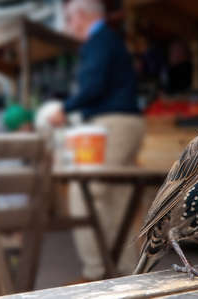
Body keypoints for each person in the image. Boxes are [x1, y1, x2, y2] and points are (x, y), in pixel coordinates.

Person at [50, 0, 145, 280]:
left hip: (109, 125)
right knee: (118, 199)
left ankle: (96, 273)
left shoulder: (98, 41)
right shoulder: (109, 39)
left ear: (80, 16)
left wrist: (63, 109)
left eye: (68, 20)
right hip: (126, 123)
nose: (68, 27)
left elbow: (92, 86)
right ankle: (130, 273)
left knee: (85, 193)